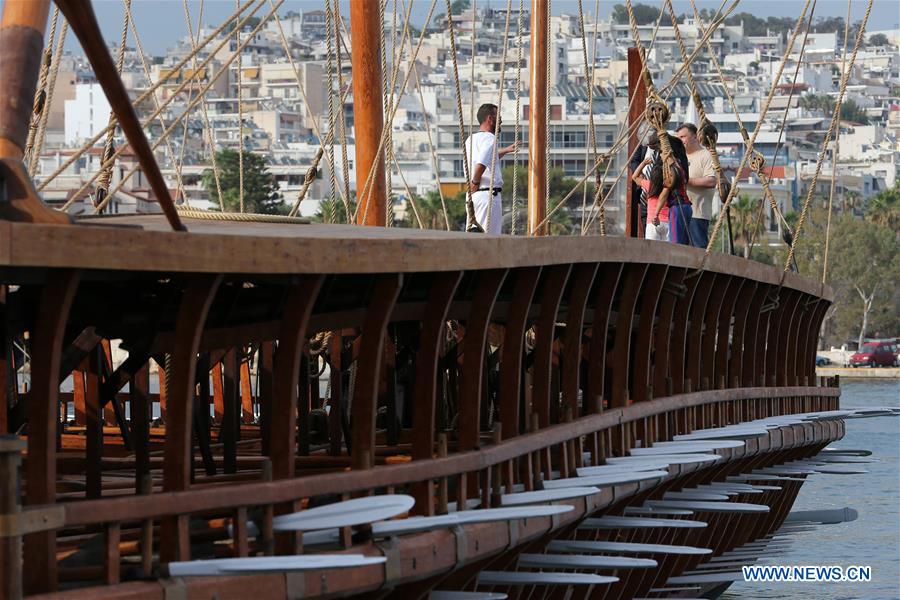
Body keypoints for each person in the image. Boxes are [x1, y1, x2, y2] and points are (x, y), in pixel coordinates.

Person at [465, 103, 518, 234]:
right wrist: (475, 182)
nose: (500, 120)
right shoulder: (490, 138)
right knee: (489, 239)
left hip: (474, 197)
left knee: (474, 234)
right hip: (487, 195)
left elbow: (487, 159)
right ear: (490, 118)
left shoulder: (471, 139)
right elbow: (481, 163)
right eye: (498, 116)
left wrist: (505, 151)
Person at [628, 131, 690, 235]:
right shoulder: (678, 167)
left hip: (666, 212)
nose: (660, 154)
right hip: (671, 212)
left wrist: (656, 214)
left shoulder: (668, 174)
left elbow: (664, 194)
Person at [676, 123, 717, 248]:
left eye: (683, 137)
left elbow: (711, 181)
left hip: (697, 214)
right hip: (679, 212)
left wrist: (685, 180)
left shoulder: (706, 156)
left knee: (698, 250)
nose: (680, 140)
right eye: (679, 138)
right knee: (679, 251)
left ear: (694, 137)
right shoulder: (679, 157)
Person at [632, 156, 671, 241]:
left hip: (652, 222)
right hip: (667, 222)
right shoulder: (668, 187)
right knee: (667, 252)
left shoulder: (649, 185)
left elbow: (634, 177)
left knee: (652, 251)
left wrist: (643, 164)